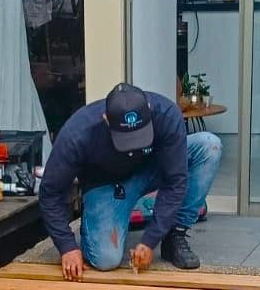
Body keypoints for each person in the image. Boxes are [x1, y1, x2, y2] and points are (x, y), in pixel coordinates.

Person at [38, 83, 222, 278]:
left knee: (209, 146)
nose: (133, 145)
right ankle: (131, 210)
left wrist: (150, 240)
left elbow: (175, 182)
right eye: (126, 139)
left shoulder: (167, 114)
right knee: (106, 259)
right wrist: (67, 246)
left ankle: (175, 233)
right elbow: (50, 193)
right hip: (107, 185)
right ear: (106, 119)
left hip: (152, 169)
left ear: (149, 110)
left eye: (139, 136)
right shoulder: (78, 133)